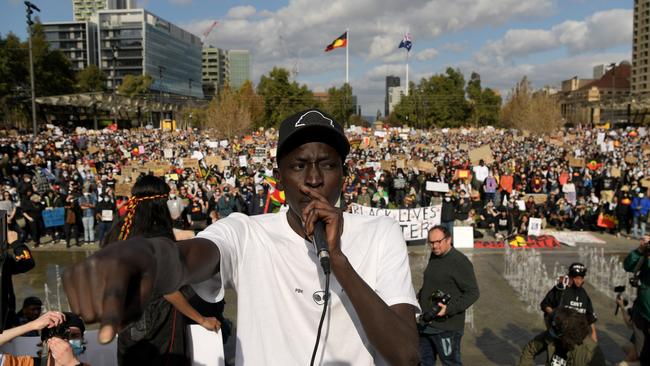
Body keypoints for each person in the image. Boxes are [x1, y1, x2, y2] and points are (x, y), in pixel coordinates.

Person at [63, 109, 420, 365]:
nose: (313, 179)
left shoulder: (380, 233)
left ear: (344, 173)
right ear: (279, 177)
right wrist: (146, 256)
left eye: (327, 164)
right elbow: (192, 257)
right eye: (298, 166)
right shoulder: (247, 232)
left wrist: (338, 260)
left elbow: (405, 355)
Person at [101, 175, 221, 365]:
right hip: (157, 321)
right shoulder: (155, 237)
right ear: (160, 203)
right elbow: (169, 290)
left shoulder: (118, 229)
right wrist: (202, 320)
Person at [418, 225, 480, 365]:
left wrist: (449, 309)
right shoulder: (434, 255)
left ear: (449, 240)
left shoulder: (460, 262)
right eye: (431, 243)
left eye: (438, 242)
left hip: (447, 328)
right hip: (425, 324)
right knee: (424, 362)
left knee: (450, 363)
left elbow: (473, 293)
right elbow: (431, 283)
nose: (434, 246)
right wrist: (419, 296)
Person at [517, 308, 605, 366]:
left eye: (556, 332)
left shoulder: (591, 353)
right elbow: (530, 349)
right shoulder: (554, 333)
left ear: (568, 334)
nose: (551, 333)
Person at [540, 263, 598, 342]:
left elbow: (590, 316)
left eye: (581, 278)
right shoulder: (561, 290)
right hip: (558, 334)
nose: (579, 281)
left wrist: (594, 333)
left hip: (576, 335)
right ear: (570, 277)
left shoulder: (584, 294)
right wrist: (555, 315)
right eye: (576, 278)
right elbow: (544, 305)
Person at [623, 234, 650, 365]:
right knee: (641, 353)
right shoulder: (646, 252)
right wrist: (640, 250)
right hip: (642, 310)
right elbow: (628, 266)